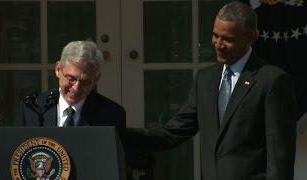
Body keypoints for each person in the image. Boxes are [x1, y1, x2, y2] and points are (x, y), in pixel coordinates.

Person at [125, 1, 297, 180]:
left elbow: (280, 155)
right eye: (215, 35)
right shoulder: (205, 79)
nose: (218, 44)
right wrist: (118, 133)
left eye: (228, 39)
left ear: (251, 38)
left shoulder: (271, 81)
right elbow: (175, 131)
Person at [15, 41, 125, 135]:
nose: (76, 88)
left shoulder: (111, 114)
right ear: (58, 69)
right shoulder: (32, 108)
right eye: (71, 79)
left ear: (96, 79)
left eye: (85, 82)